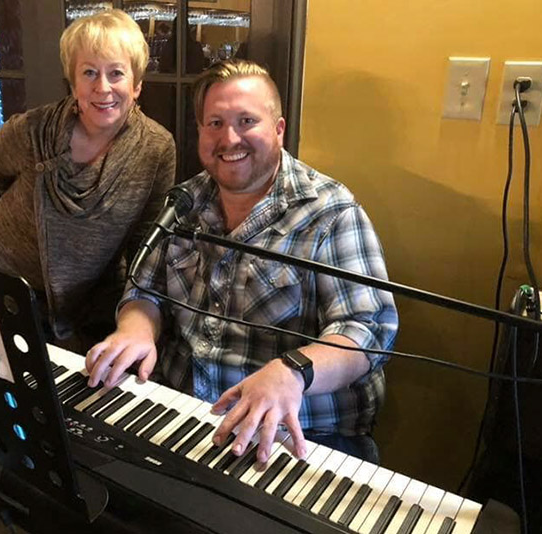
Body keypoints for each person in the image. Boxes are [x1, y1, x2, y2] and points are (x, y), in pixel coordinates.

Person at [86, 59, 398, 465]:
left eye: (246, 120)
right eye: (214, 123)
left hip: (300, 437)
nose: (229, 138)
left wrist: (293, 371)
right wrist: (136, 329)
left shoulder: (331, 212)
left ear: (279, 129)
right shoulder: (184, 202)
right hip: (182, 415)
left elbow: (370, 328)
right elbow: (145, 290)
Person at [0, 10, 176, 353]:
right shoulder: (32, 130)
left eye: (116, 73)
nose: (103, 87)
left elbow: (146, 242)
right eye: (89, 73)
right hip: (3, 283)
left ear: (137, 84)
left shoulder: (157, 149)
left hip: (91, 304)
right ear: (72, 82)